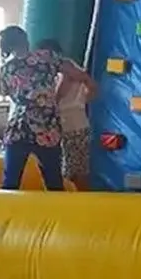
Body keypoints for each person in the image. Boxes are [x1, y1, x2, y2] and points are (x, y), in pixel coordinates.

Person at [0, 26, 93, 191]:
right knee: (53, 181)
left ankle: (6, 215)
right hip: (46, 127)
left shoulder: (7, 68)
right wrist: (90, 86)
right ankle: (57, 215)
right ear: (26, 40)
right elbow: (75, 73)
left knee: (11, 181)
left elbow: (3, 91)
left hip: (19, 129)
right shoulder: (47, 57)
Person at [37, 38, 97, 191]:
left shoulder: (65, 66)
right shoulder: (65, 67)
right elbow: (91, 89)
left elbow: (63, 88)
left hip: (72, 124)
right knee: (73, 170)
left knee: (75, 171)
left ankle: (85, 202)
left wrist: (50, 103)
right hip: (71, 121)